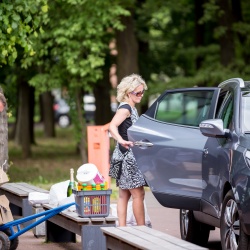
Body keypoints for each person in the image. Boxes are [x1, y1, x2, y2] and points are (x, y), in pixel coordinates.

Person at [109, 73, 148, 227]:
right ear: (127, 93)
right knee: (138, 194)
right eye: (137, 93)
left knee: (123, 195)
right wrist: (121, 140)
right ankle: (141, 231)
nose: (141, 95)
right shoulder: (126, 109)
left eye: (142, 92)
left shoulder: (129, 107)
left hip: (122, 155)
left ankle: (123, 229)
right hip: (128, 157)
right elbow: (112, 126)